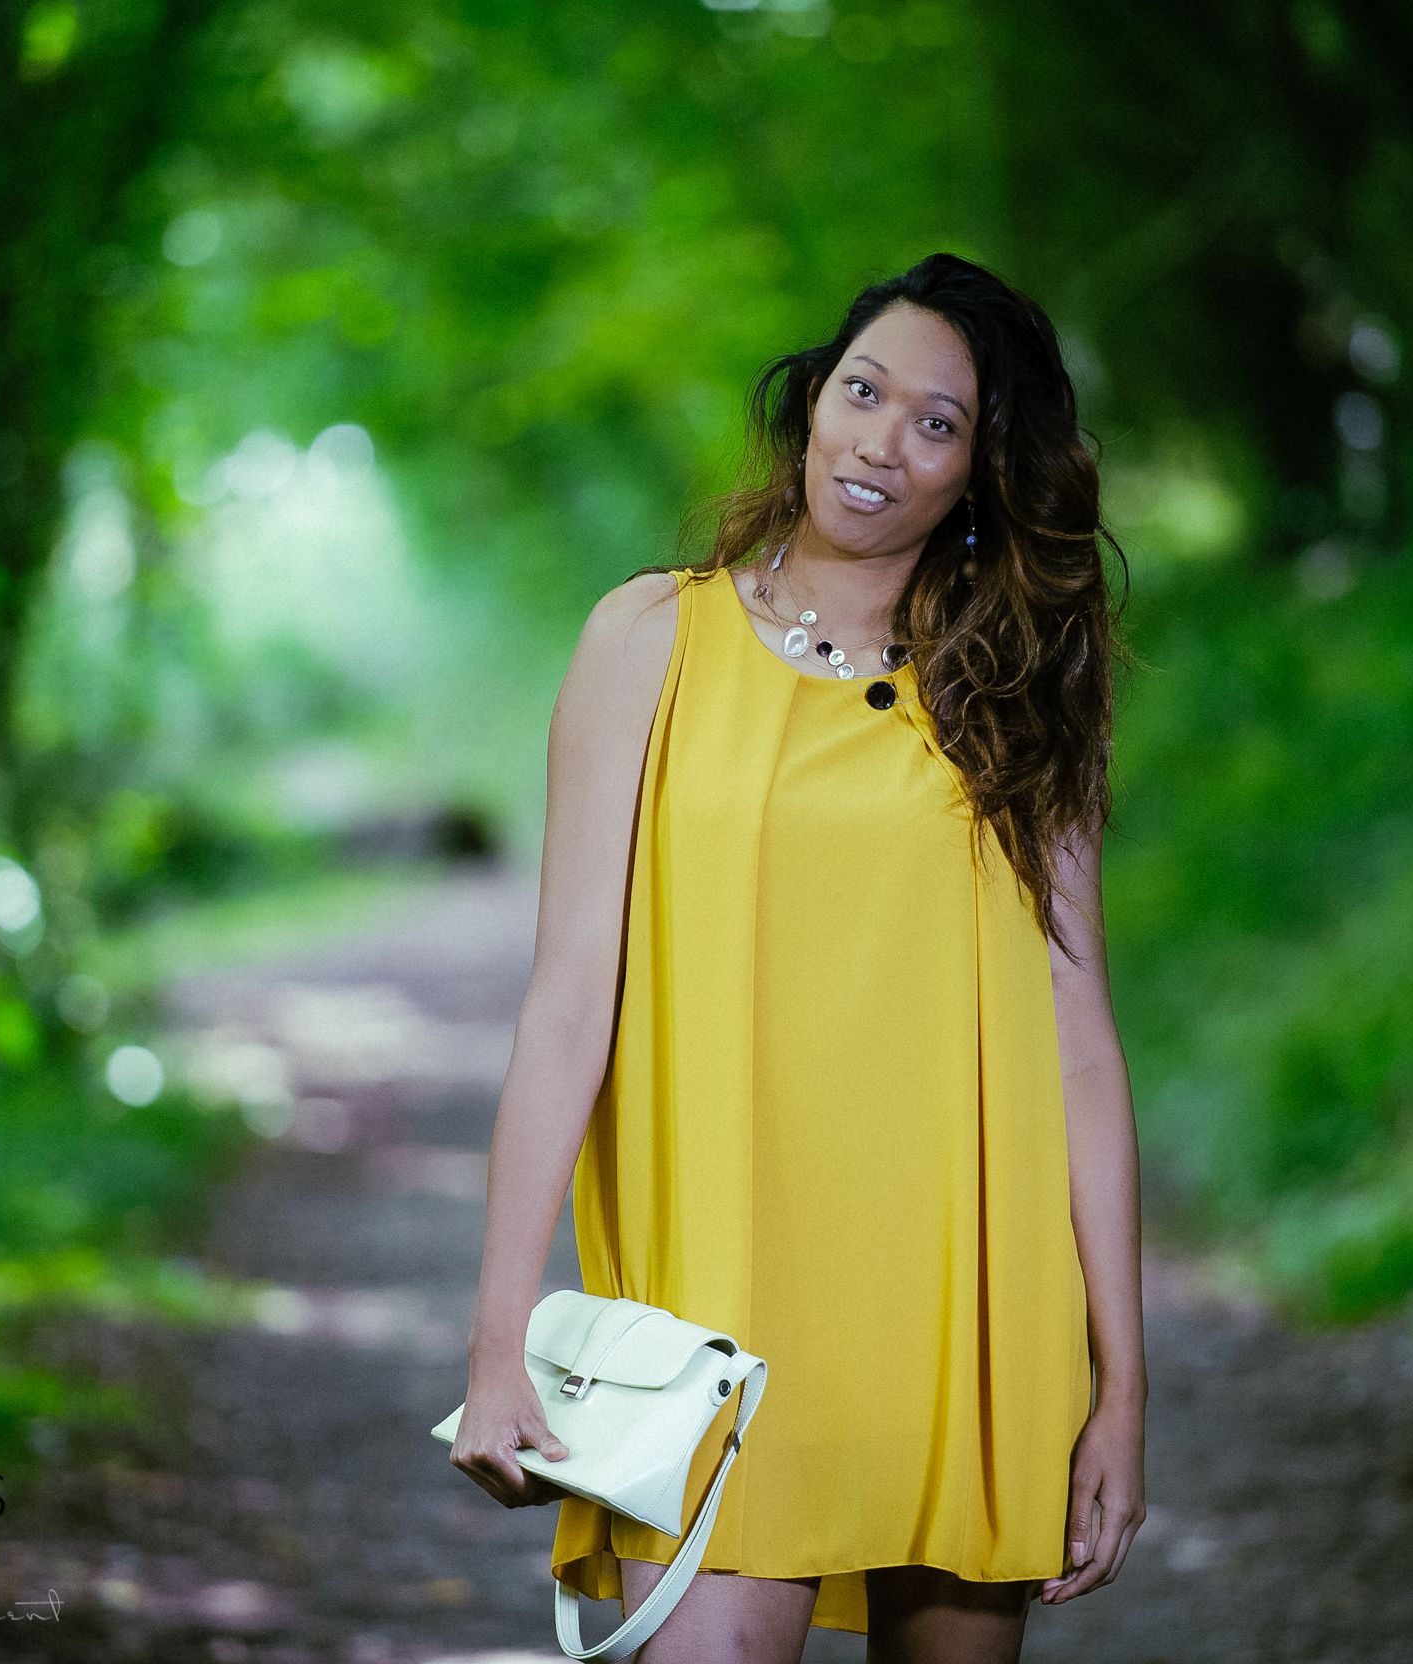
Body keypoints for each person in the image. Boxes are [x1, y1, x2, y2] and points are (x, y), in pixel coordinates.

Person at [451, 251, 1148, 1664]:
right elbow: (569, 1001)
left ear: (980, 472)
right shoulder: (650, 639)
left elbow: (1077, 1036)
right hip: (722, 1305)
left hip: (965, 1299)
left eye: (937, 423)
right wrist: (496, 1332)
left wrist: (1123, 1386)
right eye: (863, 391)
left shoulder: (1018, 690)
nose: (882, 442)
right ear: (812, 400)